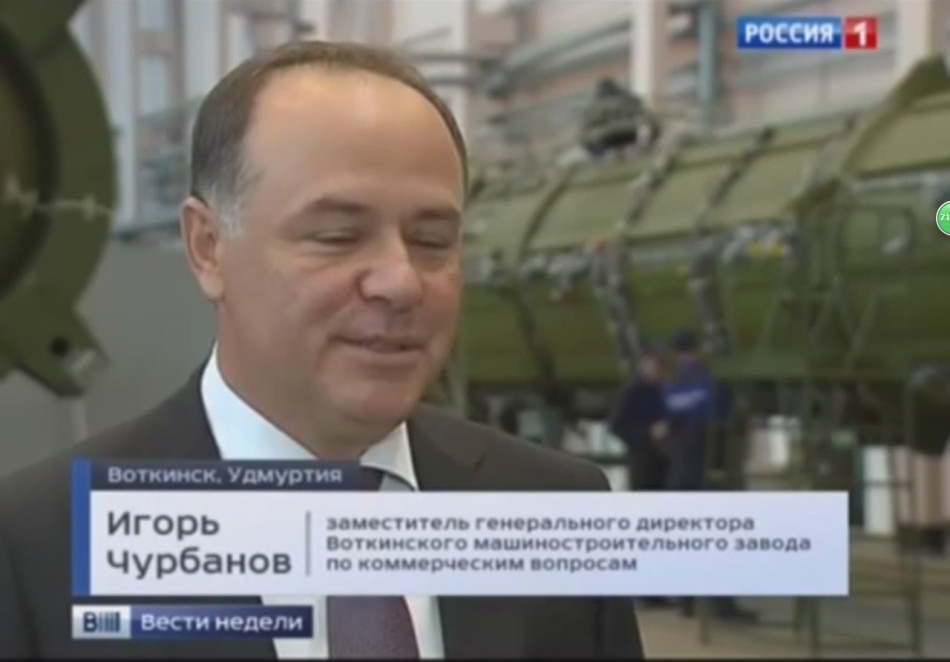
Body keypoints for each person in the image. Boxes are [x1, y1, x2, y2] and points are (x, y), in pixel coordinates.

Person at [0, 41, 643, 659]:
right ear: (208, 247)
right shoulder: (34, 549)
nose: (400, 282)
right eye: (338, 236)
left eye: (432, 241)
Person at [664, 329, 756, 624]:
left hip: (681, 471)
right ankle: (722, 605)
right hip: (710, 470)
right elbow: (728, 421)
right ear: (700, 348)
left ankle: (687, 602)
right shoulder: (713, 382)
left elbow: (668, 428)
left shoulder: (672, 385)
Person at [608, 349, 670, 609]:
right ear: (645, 364)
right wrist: (646, 435)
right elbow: (616, 425)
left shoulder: (663, 391)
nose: (659, 371)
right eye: (655, 365)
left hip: (662, 464)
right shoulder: (634, 391)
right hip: (643, 464)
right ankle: (644, 590)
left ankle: (656, 590)